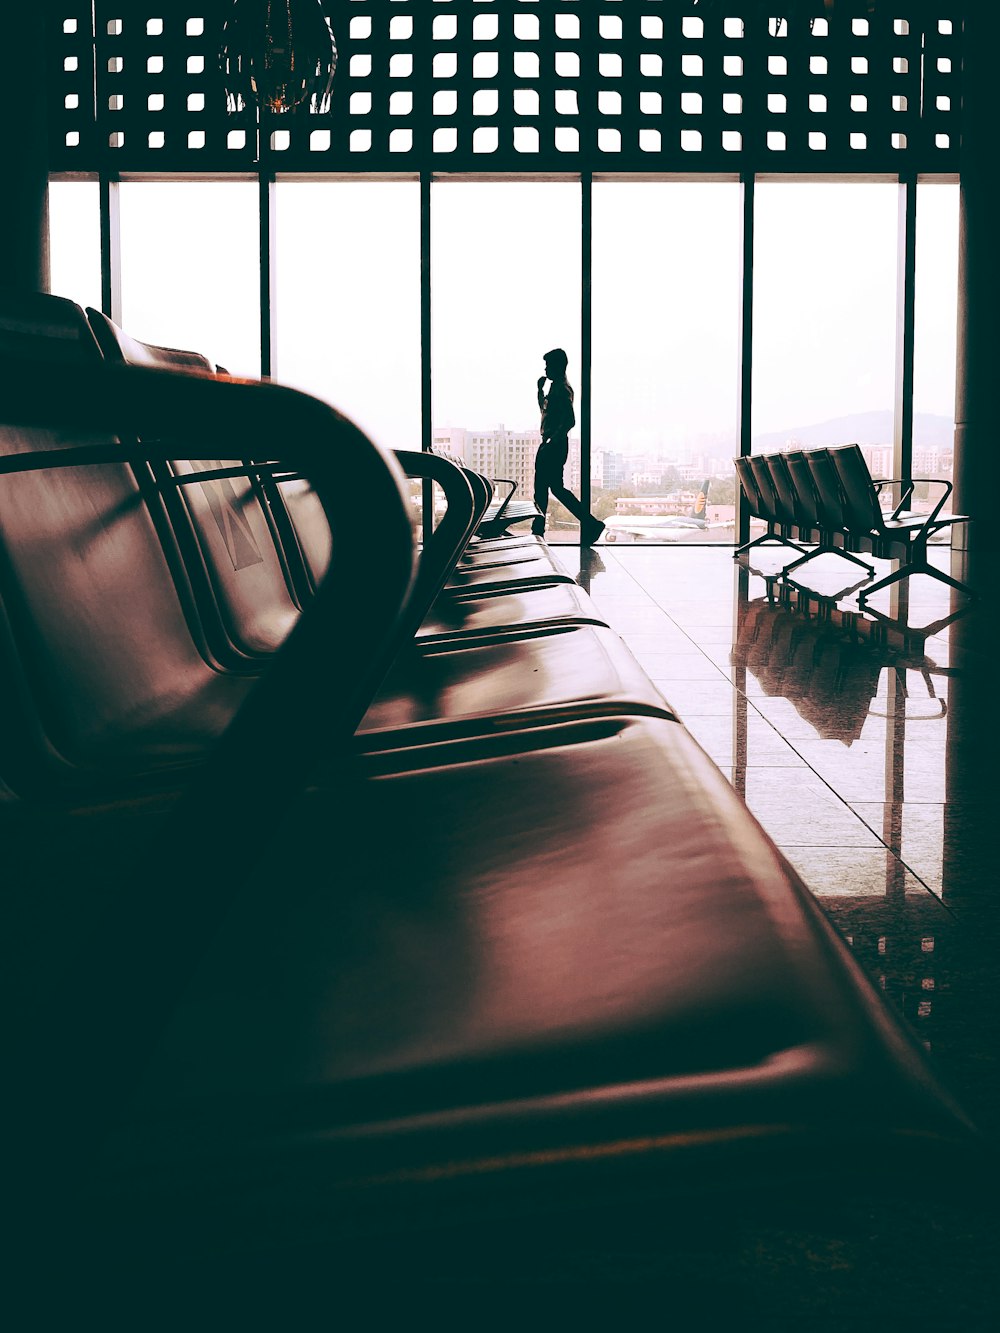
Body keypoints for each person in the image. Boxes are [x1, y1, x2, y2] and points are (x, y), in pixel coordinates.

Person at [531, 348, 605, 544]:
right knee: (553, 489)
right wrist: (540, 391)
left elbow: (569, 421)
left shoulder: (562, 389)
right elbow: (545, 412)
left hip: (552, 446)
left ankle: (537, 532)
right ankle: (588, 523)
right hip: (552, 444)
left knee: (544, 489)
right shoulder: (555, 388)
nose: (546, 369)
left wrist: (552, 440)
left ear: (558, 366)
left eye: (548, 365)